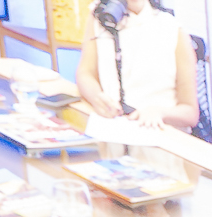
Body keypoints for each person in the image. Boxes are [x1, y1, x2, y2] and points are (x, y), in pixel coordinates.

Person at [76, 0, 200, 134]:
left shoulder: (172, 28)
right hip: (116, 131)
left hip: (163, 135)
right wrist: (97, 98)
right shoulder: (101, 18)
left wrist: (159, 112)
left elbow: (190, 112)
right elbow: (85, 73)